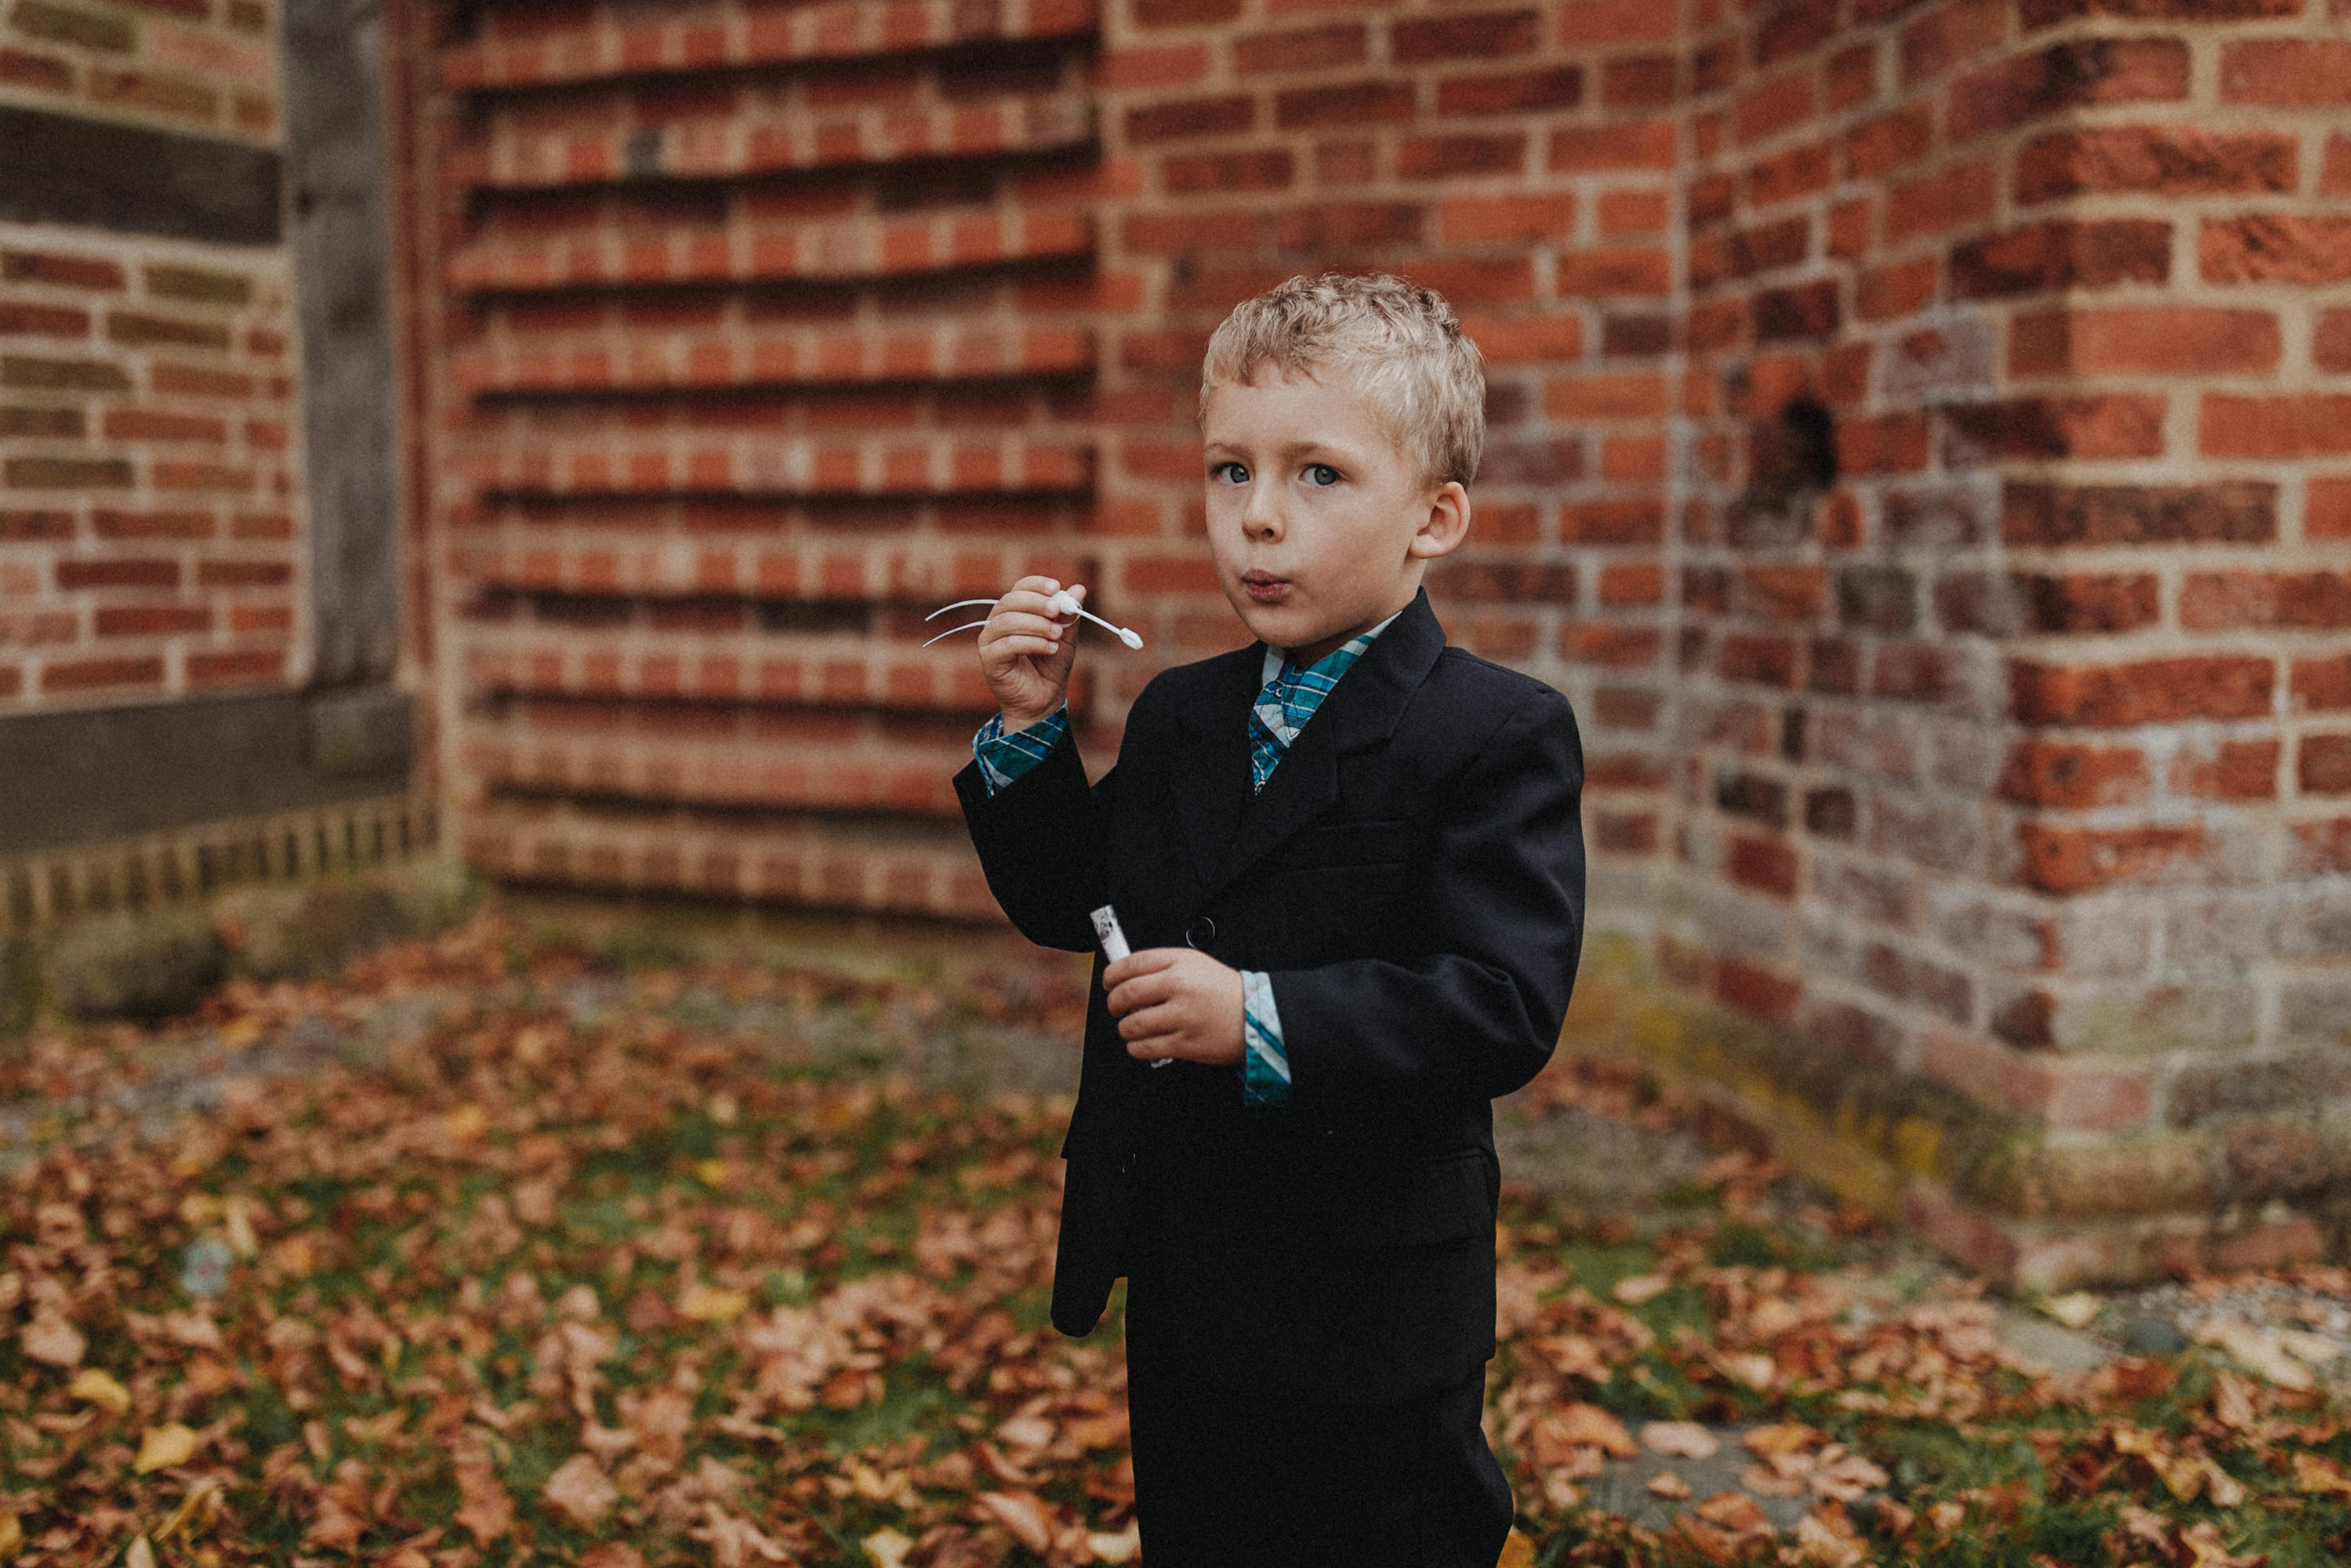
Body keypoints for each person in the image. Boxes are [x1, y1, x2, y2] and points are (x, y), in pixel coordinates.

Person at [952, 273, 1586, 1568]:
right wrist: (1029, 731)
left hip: (1371, 1290)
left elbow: (1503, 1005)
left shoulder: (1493, 733)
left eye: (1318, 478)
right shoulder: (1184, 713)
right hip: (1190, 1266)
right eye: (1230, 472)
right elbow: (1076, 902)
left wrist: (1259, 1016)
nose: (1259, 522)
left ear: (1435, 518)